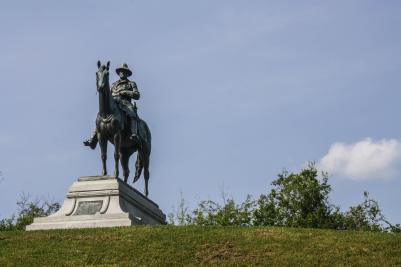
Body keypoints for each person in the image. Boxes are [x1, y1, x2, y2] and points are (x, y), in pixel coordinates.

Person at [84, 63, 140, 149]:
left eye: (124, 71)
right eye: (121, 71)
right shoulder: (114, 84)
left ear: (127, 73)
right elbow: (109, 94)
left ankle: (134, 133)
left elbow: (136, 95)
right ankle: (93, 139)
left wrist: (125, 92)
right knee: (101, 116)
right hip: (114, 102)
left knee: (132, 113)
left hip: (125, 103)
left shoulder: (131, 83)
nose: (122, 73)